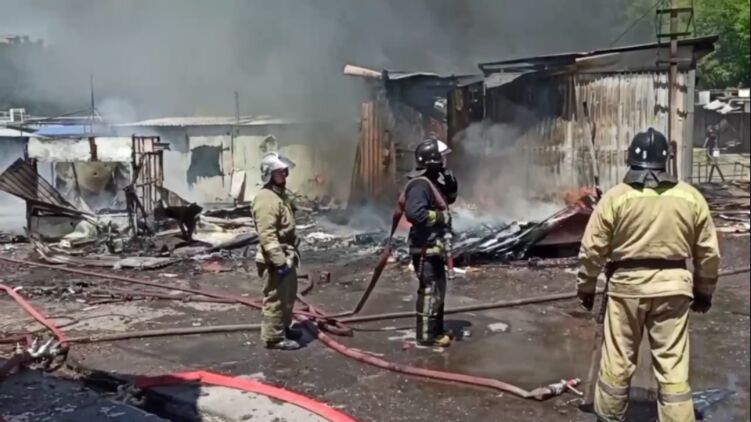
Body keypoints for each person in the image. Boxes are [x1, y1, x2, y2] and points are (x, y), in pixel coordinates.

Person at [576, 128, 720, 421]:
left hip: (625, 291)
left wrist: (586, 287)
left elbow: (592, 251)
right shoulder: (691, 197)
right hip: (674, 290)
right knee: (673, 367)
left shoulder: (615, 198)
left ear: (631, 158)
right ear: (665, 159)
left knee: (618, 361)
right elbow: (708, 253)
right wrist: (704, 292)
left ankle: (609, 416)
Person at [403, 137, 458, 347]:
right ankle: (427, 336)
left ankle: (437, 330)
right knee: (429, 292)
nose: (445, 161)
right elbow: (414, 213)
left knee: (438, 291)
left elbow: (446, 200)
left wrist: (451, 184)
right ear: (432, 160)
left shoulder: (431, 182)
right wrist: (442, 218)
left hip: (435, 247)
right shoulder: (419, 184)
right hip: (425, 248)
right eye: (442, 157)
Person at [252, 152, 303, 350]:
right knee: (275, 298)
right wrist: (279, 261)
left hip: (287, 254)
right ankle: (274, 338)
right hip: (274, 259)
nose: (284, 174)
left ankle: (284, 327)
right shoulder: (266, 199)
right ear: (269, 174)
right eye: (279, 172)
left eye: (285, 171)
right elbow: (267, 235)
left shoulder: (279, 195)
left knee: (288, 295)